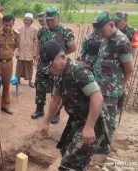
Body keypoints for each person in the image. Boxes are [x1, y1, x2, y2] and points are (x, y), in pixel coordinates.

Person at [40, 40, 106, 170]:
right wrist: (46, 122)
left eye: (51, 65)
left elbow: (97, 97)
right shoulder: (59, 73)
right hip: (76, 120)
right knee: (65, 150)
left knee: (70, 164)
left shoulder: (79, 71)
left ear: (63, 57)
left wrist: (89, 127)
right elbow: (56, 99)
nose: (50, 69)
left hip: (91, 122)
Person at [92, 11, 134, 154]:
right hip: (99, 84)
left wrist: (122, 84)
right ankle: (98, 140)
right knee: (98, 114)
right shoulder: (106, 38)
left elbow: (129, 68)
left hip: (111, 87)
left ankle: (104, 146)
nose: (100, 34)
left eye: (101, 31)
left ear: (111, 25)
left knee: (108, 118)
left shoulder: (121, 41)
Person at [32, 6, 76, 124]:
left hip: (57, 67)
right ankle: (39, 109)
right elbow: (39, 45)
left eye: (53, 19)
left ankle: (56, 114)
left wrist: (59, 56)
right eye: (48, 20)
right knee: (40, 87)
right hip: (43, 64)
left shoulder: (66, 32)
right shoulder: (42, 31)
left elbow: (73, 48)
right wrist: (37, 55)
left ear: (58, 18)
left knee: (56, 90)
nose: (50, 22)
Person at [0, 15, 19, 116]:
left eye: (10, 25)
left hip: (9, 62)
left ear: (13, 23)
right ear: (2, 23)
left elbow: (14, 47)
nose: (8, 27)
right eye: (6, 25)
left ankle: (5, 106)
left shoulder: (16, 35)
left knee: (6, 85)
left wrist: (8, 54)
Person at [15, 13, 38, 88]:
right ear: (23, 20)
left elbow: (35, 42)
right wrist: (17, 52)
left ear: (31, 21)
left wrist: (34, 53)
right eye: (26, 20)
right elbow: (16, 42)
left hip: (29, 52)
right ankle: (17, 80)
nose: (27, 21)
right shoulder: (19, 29)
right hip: (21, 51)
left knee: (29, 67)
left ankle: (30, 81)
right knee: (19, 66)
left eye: (29, 20)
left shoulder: (35, 30)